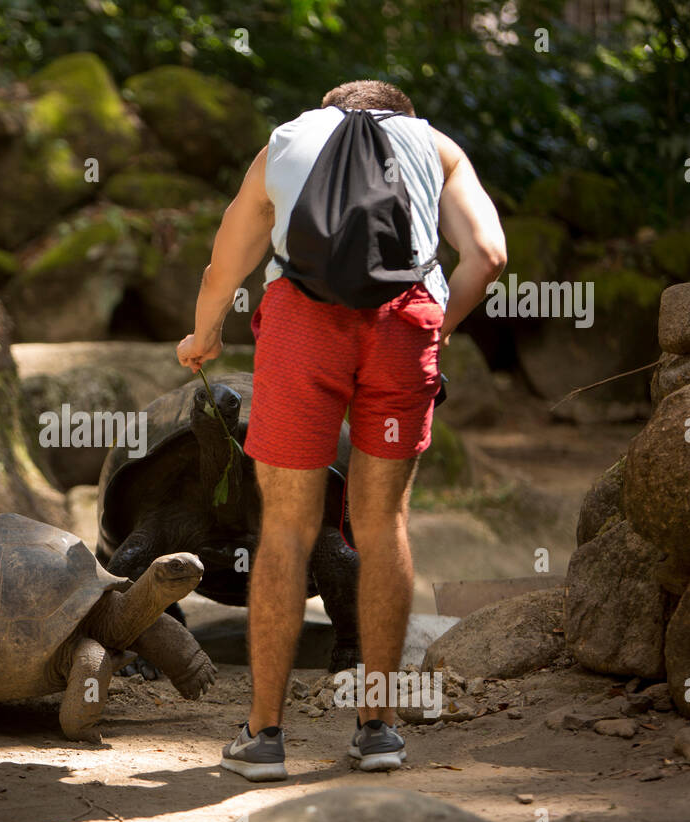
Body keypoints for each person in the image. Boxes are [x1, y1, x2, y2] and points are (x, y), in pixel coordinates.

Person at [176, 80, 506, 780]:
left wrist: (203, 337)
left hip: (302, 325)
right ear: (401, 116)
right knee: (382, 523)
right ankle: (378, 729)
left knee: (287, 529)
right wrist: (437, 329)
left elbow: (222, 268)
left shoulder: (285, 144)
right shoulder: (437, 147)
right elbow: (488, 255)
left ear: (329, 110)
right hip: (403, 323)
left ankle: (263, 737)